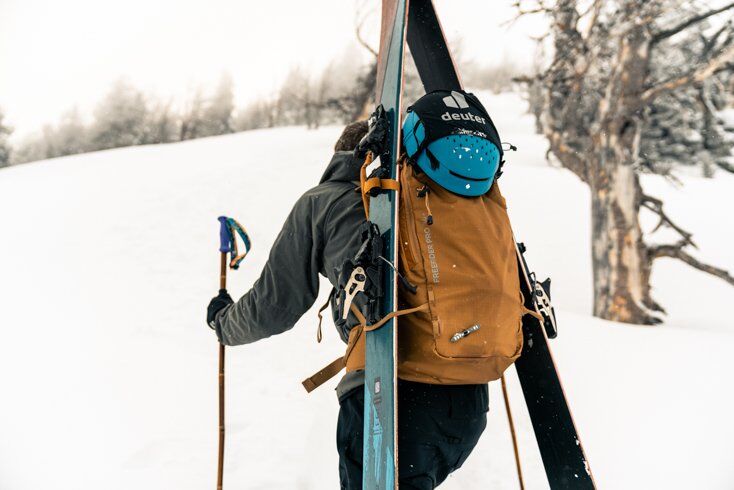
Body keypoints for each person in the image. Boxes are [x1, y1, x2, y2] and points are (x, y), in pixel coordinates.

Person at [207, 91, 507, 488]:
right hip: (468, 402)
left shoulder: (324, 200)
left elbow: (276, 305)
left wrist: (223, 323)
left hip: (389, 399)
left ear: (341, 158)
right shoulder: (433, 198)